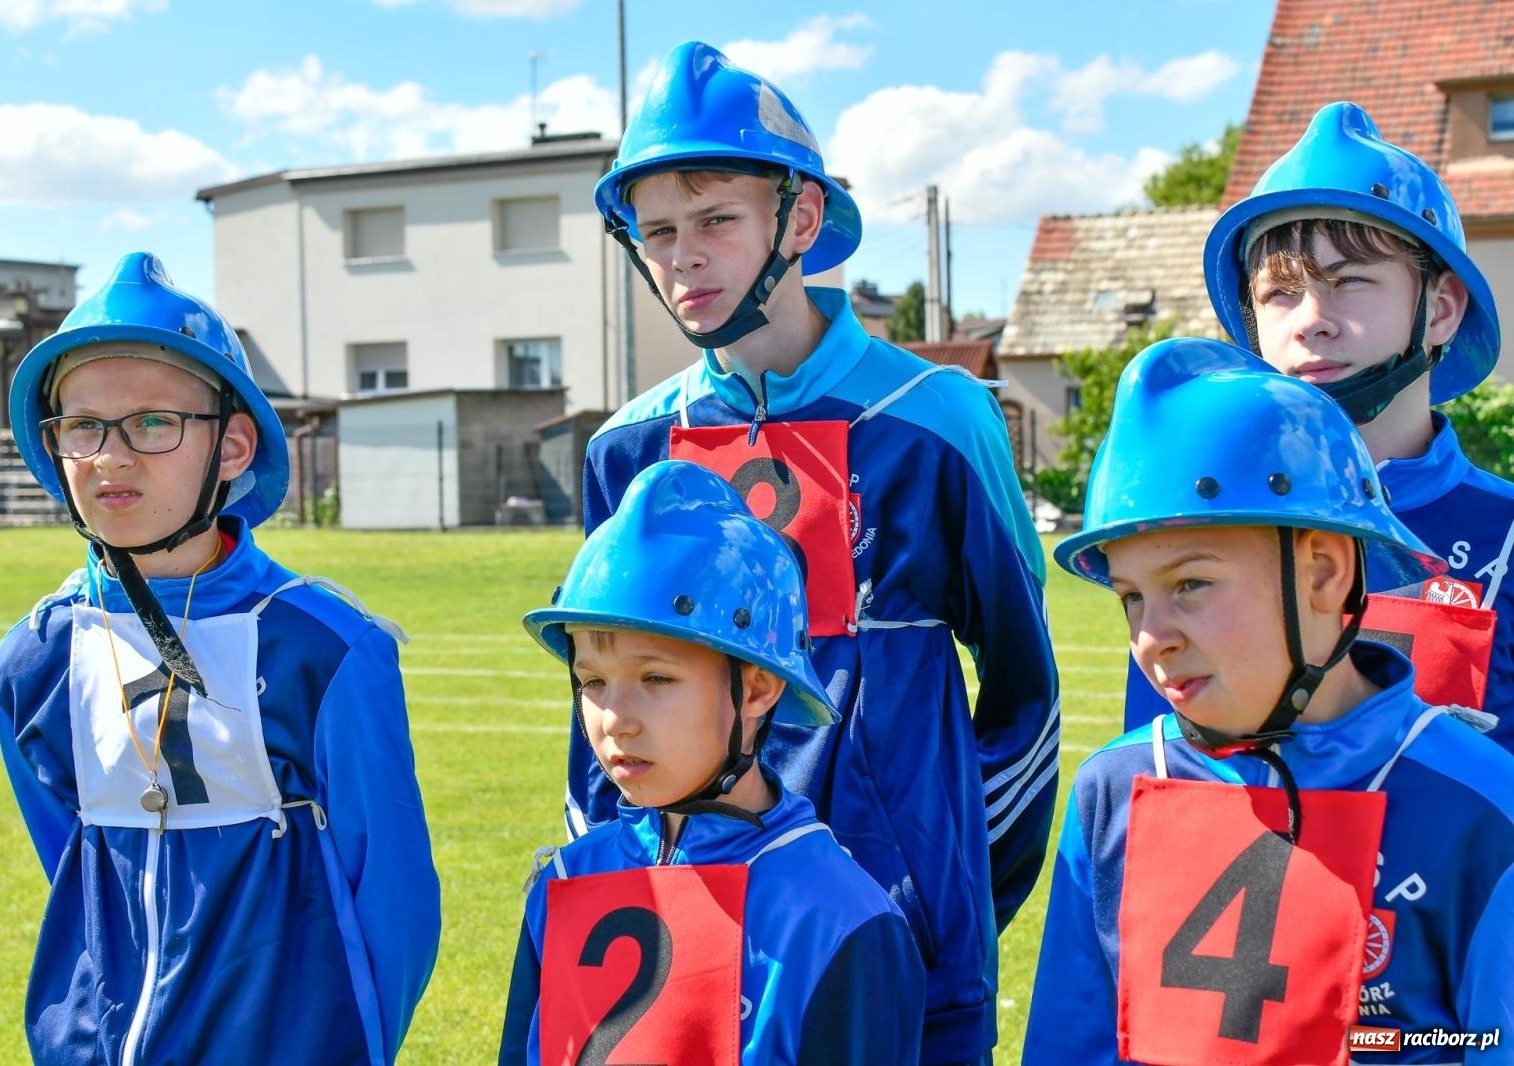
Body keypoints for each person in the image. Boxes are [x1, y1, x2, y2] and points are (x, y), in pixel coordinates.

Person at [581, 41, 1058, 1063]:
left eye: (714, 219)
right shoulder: (625, 449)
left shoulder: (938, 420)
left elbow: (1025, 693)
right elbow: (600, 712)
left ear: (798, 220)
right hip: (688, 941)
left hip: (910, 942)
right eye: (655, 230)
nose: (681, 256)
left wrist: (948, 887)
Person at [0, 253, 440, 1065]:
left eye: (154, 423)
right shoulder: (35, 657)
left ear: (233, 447)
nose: (110, 457)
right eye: (82, 426)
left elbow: (394, 900)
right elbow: (71, 862)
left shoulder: (328, 647)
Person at [1024, 337, 1514, 1065]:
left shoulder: (1480, 803)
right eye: (1131, 598)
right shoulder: (1115, 789)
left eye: (1191, 584)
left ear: (1321, 574)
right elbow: (1072, 1044)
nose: (1151, 637)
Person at [500, 459, 924, 1064]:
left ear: (756, 689)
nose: (615, 718)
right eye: (592, 682)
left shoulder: (836, 917)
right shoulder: (565, 882)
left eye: (656, 678)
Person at [1123, 101, 1513, 747]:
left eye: (1350, 280)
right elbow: (1161, 778)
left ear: (1441, 309)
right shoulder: (1199, 531)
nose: (1310, 320)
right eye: (1278, 293)